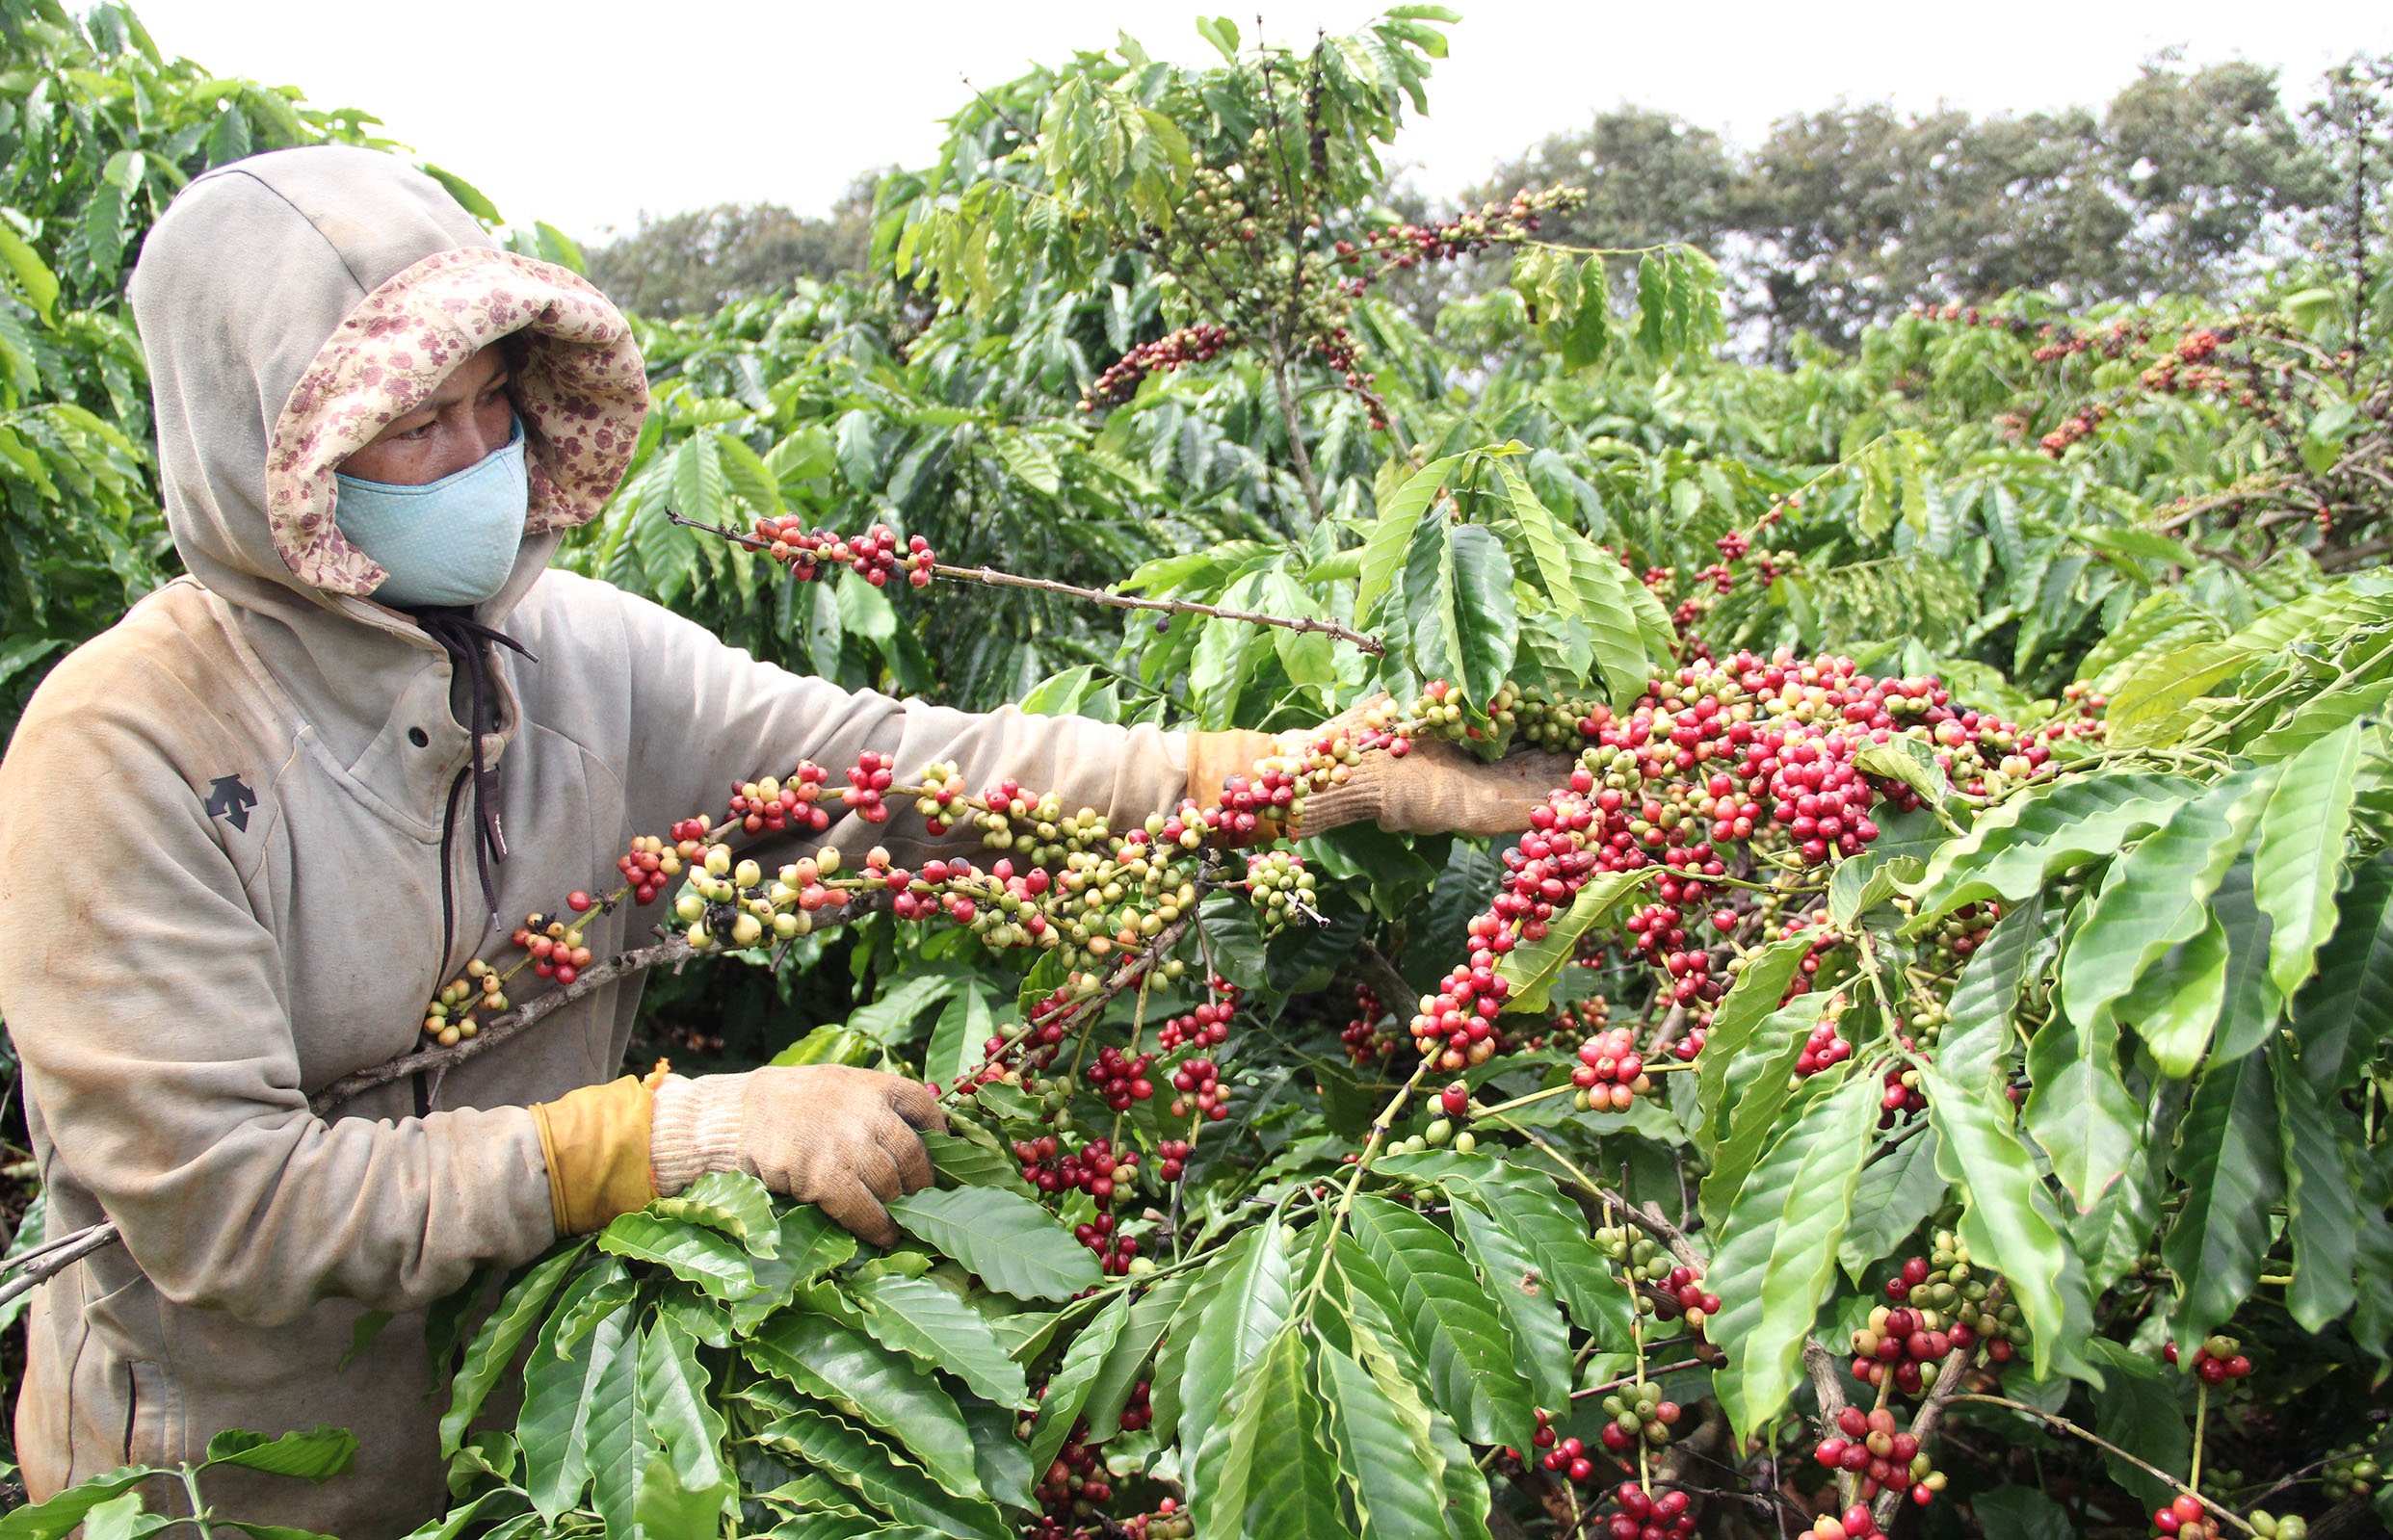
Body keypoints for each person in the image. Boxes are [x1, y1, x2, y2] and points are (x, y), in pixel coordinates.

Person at [0, 146, 1563, 1536]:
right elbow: (226, 1209)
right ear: (255, 449)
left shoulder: (583, 655)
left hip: (531, 1447)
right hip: (233, 1486)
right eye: (410, 424)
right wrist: (669, 1135)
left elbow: (922, 771)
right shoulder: (128, 748)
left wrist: (1299, 776)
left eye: (493, 403)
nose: (477, 454)